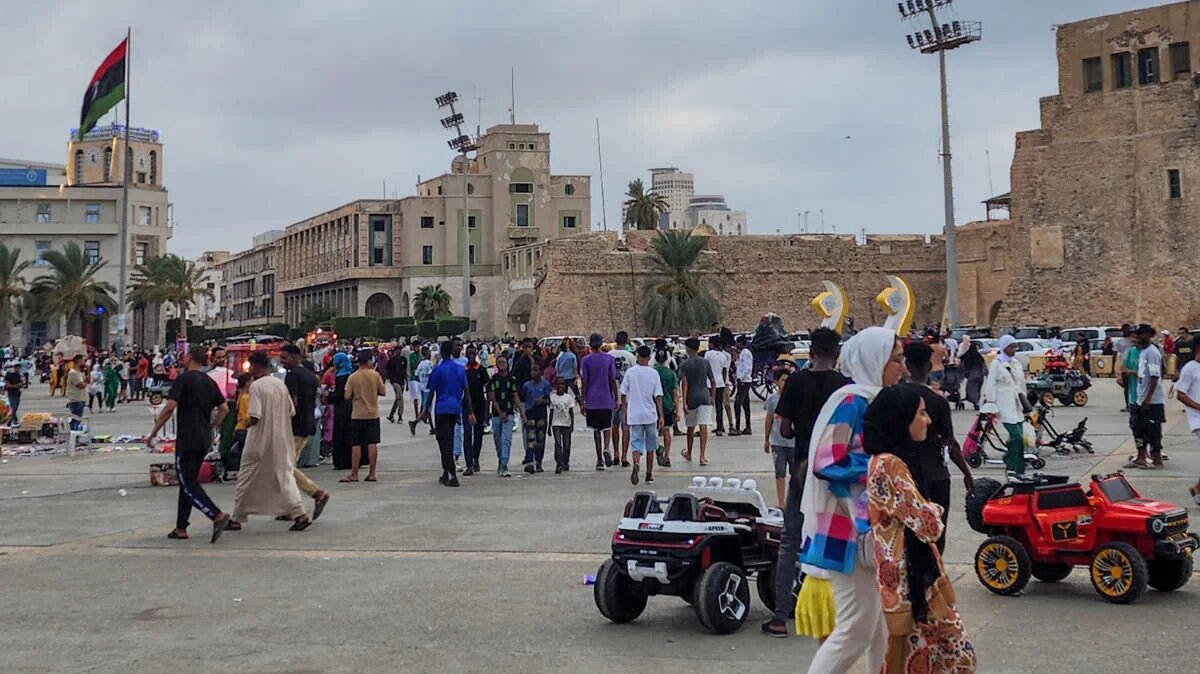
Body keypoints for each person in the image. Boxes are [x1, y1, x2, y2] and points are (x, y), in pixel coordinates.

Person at [800, 326, 905, 674]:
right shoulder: (853, 402)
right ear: (875, 361)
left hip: (865, 529)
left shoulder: (870, 400)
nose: (901, 368)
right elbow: (827, 461)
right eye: (896, 360)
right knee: (855, 633)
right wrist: (880, 468)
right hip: (847, 532)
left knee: (880, 630)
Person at [863, 386, 976, 672]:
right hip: (911, 580)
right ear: (900, 419)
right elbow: (928, 526)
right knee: (955, 658)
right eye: (921, 413)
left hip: (901, 576)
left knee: (906, 660)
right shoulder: (892, 464)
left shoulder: (882, 460)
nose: (927, 420)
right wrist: (935, 509)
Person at [762, 327, 847, 639]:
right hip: (835, 472)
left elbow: (784, 430)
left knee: (790, 540)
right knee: (836, 537)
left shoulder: (796, 381)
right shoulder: (843, 386)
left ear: (810, 352)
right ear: (836, 355)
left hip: (802, 470)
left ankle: (780, 617)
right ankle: (837, 612)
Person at [144, 345, 232, 543]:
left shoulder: (183, 379)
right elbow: (224, 408)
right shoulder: (208, 380)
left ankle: (216, 515)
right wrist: (212, 425)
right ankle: (181, 527)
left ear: (190, 357)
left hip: (188, 437)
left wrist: (153, 432)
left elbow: (169, 408)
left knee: (187, 482)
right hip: (203, 437)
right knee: (188, 480)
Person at [902, 341, 975, 553]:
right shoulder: (938, 402)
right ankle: (934, 580)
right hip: (935, 476)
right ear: (928, 366)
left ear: (906, 363)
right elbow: (950, 443)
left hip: (905, 476)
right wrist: (967, 474)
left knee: (908, 533)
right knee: (935, 532)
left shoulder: (893, 396)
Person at [230, 351, 309, 531]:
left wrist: (244, 422)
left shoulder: (256, 387)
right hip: (281, 438)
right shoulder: (279, 385)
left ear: (256, 366)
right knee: (284, 476)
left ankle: (236, 517)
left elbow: (255, 416)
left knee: (246, 476)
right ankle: (299, 513)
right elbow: (291, 411)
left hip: (259, 440)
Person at [281, 344, 331, 520]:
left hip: (295, 426)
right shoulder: (310, 375)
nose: (282, 361)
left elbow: (291, 403)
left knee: (285, 468)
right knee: (288, 467)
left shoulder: (292, 376)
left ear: (296, 357)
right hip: (308, 423)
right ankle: (289, 508)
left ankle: (317, 493)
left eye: (285, 357)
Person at [421, 341, 474, 487]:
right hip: (455, 408)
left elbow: (431, 393)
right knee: (449, 438)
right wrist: (470, 411)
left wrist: (425, 411)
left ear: (441, 353)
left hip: (442, 409)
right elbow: (467, 392)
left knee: (444, 442)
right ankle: (446, 473)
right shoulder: (459, 369)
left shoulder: (438, 370)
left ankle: (452, 475)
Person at [981, 335, 1027, 476]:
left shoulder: (1016, 363)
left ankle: (1019, 469)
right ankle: (1010, 463)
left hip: (1017, 405)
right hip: (1003, 405)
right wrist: (991, 404)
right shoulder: (997, 364)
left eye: (1015, 347)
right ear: (1004, 347)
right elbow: (990, 384)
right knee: (1016, 436)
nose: (1014, 349)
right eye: (1011, 347)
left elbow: (1021, 384)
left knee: (1021, 439)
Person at [619, 345, 664, 486]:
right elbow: (658, 396)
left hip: (634, 414)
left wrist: (624, 412)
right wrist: (661, 415)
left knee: (636, 443)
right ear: (650, 358)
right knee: (651, 445)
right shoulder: (653, 373)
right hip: (650, 414)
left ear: (637, 357)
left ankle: (636, 462)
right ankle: (649, 474)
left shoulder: (630, 373)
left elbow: (623, 394)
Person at [342, 350, 385, 482]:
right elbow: (383, 392)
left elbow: (347, 396)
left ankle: (354, 474)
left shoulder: (352, 377)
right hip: (373, 414)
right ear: (368, 361)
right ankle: (372, 473)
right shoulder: (375, 375)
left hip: (357, 415)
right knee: (372, 443)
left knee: (356, 444)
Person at [579, 333, 619, 470]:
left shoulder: (585, 360)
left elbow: (584, 381)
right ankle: (607, 447)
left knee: (596, 430)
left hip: (592, 399)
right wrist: (616, 397)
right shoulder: (609, 359)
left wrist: (583, 401)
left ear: (590, 345)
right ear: (601, 343)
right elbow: (612, 379)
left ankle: (599, 460)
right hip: (606, 398)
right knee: (607, 427)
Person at [1129, 324, 1166, 469]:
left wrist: (1148, 398)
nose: (1137, 338)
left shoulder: (1152, 352)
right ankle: (1141, 457)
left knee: (1153, 431)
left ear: (1148, 336)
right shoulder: (1143, 352)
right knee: (1137, 428)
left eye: (1140, 335)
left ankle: (1157, 459)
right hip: (1139, 398)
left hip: (1152, 401)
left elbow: (1155, 376)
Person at [679, 337, 717, 466]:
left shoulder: (684, 364)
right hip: (705, 396)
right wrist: (712, 396)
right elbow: (712, 381)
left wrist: (683, 402)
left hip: (691, 398)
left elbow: (684, 383)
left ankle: (689, 452)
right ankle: (702, 456)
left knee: (690, 427)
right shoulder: (705, 362)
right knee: (703, 426)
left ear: (688, 349)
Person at [762, 365, 793, 508]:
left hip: (794, 443)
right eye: (783, 380)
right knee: (780, 473)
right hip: (778, 443)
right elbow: (769, 420)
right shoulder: (773, 400)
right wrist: (766, 439)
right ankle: (781, 503)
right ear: (776, 382)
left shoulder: (796, 398)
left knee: (795, 474)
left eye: (788, 380)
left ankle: (793, 501)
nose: (785, 383)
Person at [487, 354, 520, 477]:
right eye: (499, 362)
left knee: (506, 439)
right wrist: (500, 412)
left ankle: (504, 464)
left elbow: (515, 396)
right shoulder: (494, 380)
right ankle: (501, 460)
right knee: (498, 440)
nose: (502, 364)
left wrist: (521, 412)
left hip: (509, 412)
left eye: (504, 362)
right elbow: (492, 397)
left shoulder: (512, 380)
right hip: (496, 414)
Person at [462, 345, 490, 476]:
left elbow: (488, 390)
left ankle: (476, 458)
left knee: (478, 435)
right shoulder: (463, 371)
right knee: (467, 435)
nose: (472, 356)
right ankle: (469, 464)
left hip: (479, 405)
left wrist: (487, 411)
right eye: (469, 354)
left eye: (473, 353)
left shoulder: (482, 370)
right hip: (466, 407)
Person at [610, 331, 637, 465]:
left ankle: (615, 452)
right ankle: (624, 456)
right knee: (625, 427)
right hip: (627, 397)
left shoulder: (609, 356)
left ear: (615, 340)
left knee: (614, 426)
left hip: (612, 396)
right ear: (626, 341)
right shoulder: (631, 357)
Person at [520, 362, 552, 474]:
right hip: (530, 414)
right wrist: (523, 414)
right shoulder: (526, 385)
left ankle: (538, 461)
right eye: (532, 370)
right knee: (530, 439)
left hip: (541, 415)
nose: (533, 373)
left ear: (541, 372)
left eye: (535, 370)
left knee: (540, 440)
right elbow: (522, 400)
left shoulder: (545, 385)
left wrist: (542, 401)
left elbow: (549, 401)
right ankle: (529, 461)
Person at [653, 349, 679, 467]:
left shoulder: (652, 372)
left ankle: (657, 448)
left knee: (653, 431)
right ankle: (667, 456)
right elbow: (675, 393)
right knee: (667, 430)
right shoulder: (671, 373)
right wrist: (677, 410)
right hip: (668, 406)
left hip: (653, 406)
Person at [704, 336, 730, 435]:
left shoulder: (708, 354)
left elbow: (705, 367)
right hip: (720, 383)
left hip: (709, 383)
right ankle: (720, 427)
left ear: (712, 344)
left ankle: (705, 426)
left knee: (707, 405)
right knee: (719, 406)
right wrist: (722, 382)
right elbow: (724, 371)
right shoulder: (723, 356)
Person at [549, 378, 576, 474]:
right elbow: (551, 412)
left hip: (566, 423)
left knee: (567, 444)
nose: (561, 386)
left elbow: (571, 412)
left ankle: (565, 461)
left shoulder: (568, 398)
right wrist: (549, 426)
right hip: (556, 423)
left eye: (563, 384)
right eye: (559, 384)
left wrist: (572, 424)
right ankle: (559, 463)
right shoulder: (553, 397)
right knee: (558, 444)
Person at [734, 335, 754, 436]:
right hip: (743, 380)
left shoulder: (746, 353)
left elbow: (747, 368)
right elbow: (740, 366)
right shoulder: (742, 353)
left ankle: (737, 427)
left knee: (737, 403)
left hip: (744, 381)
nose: (736, 344)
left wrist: (741, 378)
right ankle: (748, 426)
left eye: (737, 342)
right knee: (746, 404)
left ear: (741, 343)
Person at [385, 344, 408, 424]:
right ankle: (400, 416)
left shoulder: (403, 359)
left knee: (397, 399)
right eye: (398, 350)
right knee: (400, 398)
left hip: (401, 381)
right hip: (394, 381)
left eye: (400, 350)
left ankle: (391, 415)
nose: (399, 351)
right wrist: (389, 379)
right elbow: (387, 370)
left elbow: (404, 371)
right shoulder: (392, 360)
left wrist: (407, 383)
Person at [65, 355, 88, 431]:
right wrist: (85, 382)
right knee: (76, 420)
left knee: (77, 419)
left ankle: (75, 435)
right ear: (79, 361)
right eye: (83, 360)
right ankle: (73, 435)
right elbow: (81, 385)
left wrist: (88, 370)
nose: (84, 362)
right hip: (76, 400)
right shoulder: (73, 373)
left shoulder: (79, 373)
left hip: (81, 398)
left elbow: (87, 380)